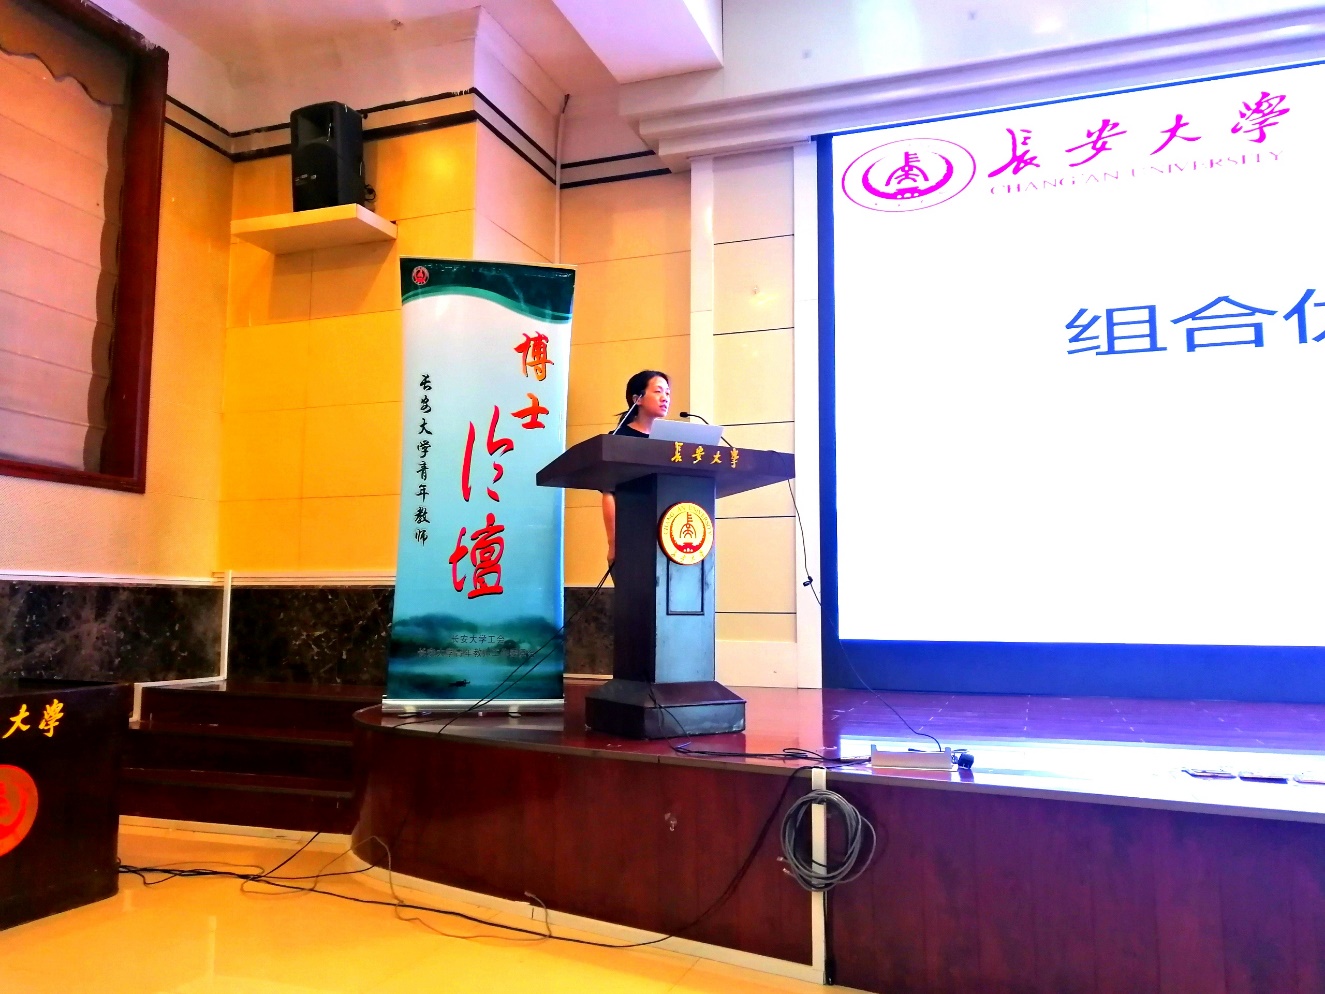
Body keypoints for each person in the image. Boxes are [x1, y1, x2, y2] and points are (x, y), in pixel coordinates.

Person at [602, 370, 671, 564]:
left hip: (670, 530)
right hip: (632, 533)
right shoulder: (619, 438)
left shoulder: (670, 441)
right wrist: (613, 542)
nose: (665, 398)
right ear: (637, 399)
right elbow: (608, 493)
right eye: (658, 391)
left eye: (667, 393)